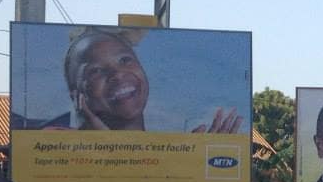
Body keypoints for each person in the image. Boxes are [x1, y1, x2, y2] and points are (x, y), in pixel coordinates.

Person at [63, 27, 243, 133]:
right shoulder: (53, 144)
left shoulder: (165, 159)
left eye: (125, 60)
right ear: (75, 95)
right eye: (96, 71)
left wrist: (193, 166)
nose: (117, 74)